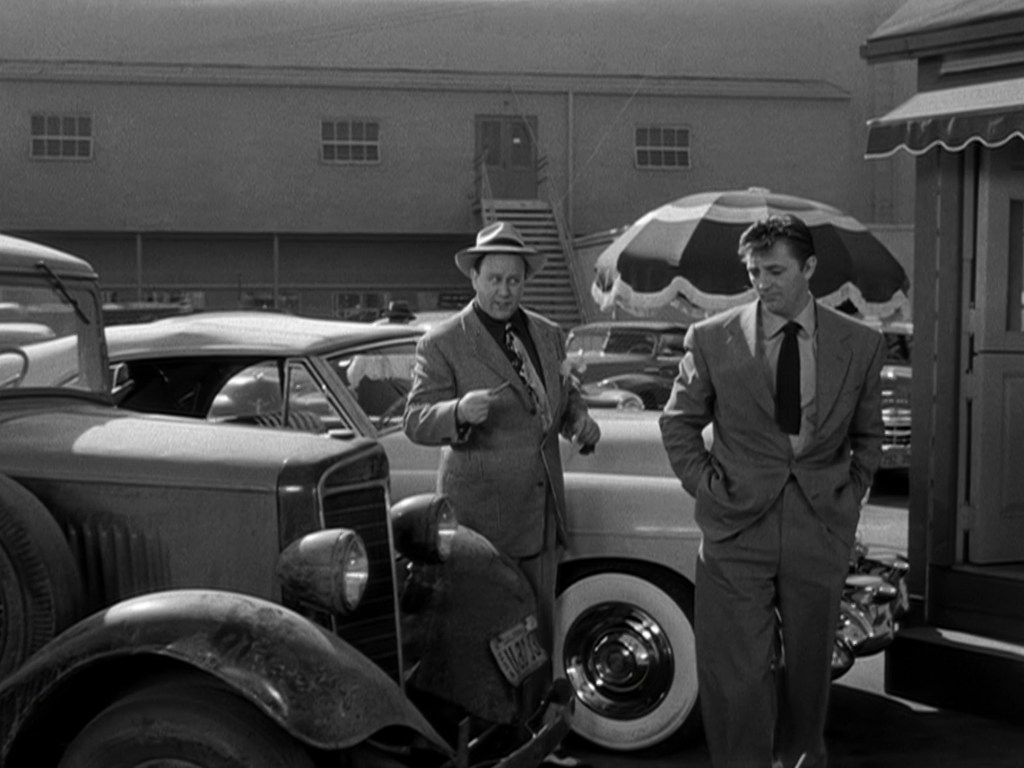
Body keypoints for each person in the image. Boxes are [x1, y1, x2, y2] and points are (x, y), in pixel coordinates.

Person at [659, 214, 885, 768]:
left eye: (775, 270)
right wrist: (708, 488)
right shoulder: (712, 338)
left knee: (810, 671)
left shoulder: (860, 343)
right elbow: (678, 423)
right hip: (736, 526)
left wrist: (849, 498)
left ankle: (804, 757)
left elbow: (870, 436)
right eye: (754, 271)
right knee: (735, 674)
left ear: (809, 268)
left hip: (819, 524)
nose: (762, 282)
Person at [403, 220, 600, 767]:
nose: (505, 290)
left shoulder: (547, 333)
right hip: (479, 524)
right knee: (482, 635)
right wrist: (457, 413)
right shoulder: (443, 342)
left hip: (540, 514)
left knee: (534, 631)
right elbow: (415, 420)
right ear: (474, 277)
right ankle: (481, 745)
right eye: (495, 279)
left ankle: (533, 737)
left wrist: (579, 419)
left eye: (515, 280)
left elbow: (564, 396)